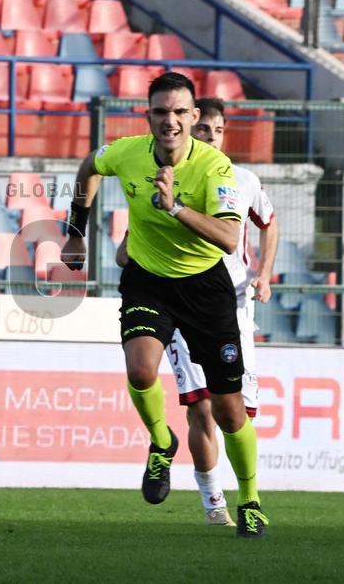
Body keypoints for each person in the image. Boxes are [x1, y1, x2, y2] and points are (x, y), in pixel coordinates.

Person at [62, 72, 269, 538]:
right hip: (148, 282)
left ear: (194, 117)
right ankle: (161, 442)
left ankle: (250, 500)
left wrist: (174, 207)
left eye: (179, 112)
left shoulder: (216, 167)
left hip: (205, 289)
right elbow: (87, 167)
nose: (170, 121)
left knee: (229, 409)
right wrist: (75, 229)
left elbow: (228, 237)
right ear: (148, 115)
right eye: (160, 112)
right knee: (140, 370)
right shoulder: (128, 152)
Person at [115, 97, 278, 527]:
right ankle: (214, 505)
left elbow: (268, 222)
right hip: (174, 296)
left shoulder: (242, 180)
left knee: (233, 411)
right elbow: (126, 248)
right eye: (203, 129)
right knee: (200, 408)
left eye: (217, 130)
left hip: (230, 304)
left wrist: (264, 273)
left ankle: (249, 499)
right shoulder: (168, 175)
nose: (209, 137)